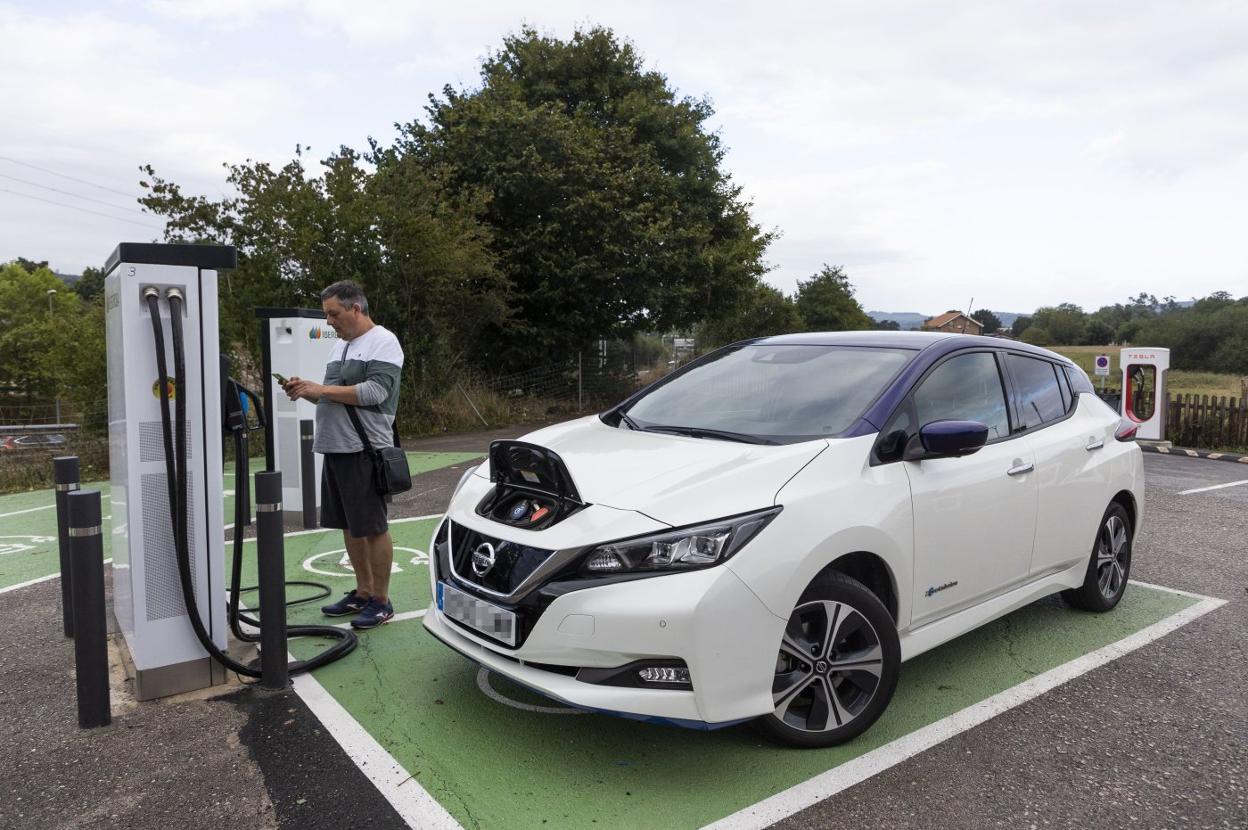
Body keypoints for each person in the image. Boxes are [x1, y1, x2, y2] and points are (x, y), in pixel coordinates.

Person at [284, 281, 404, 629]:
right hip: (336, 446)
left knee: (372, 526)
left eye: (333, 314)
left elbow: (375, 392)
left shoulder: (384, 341)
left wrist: (320, 389)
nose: (329, 322)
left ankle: (381, 601)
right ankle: (363, 592)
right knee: (350, 526)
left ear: (356, 308)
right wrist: (306, 391)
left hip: (363, 448)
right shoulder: (340, 347)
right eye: (326, 315)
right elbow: (333, 395)